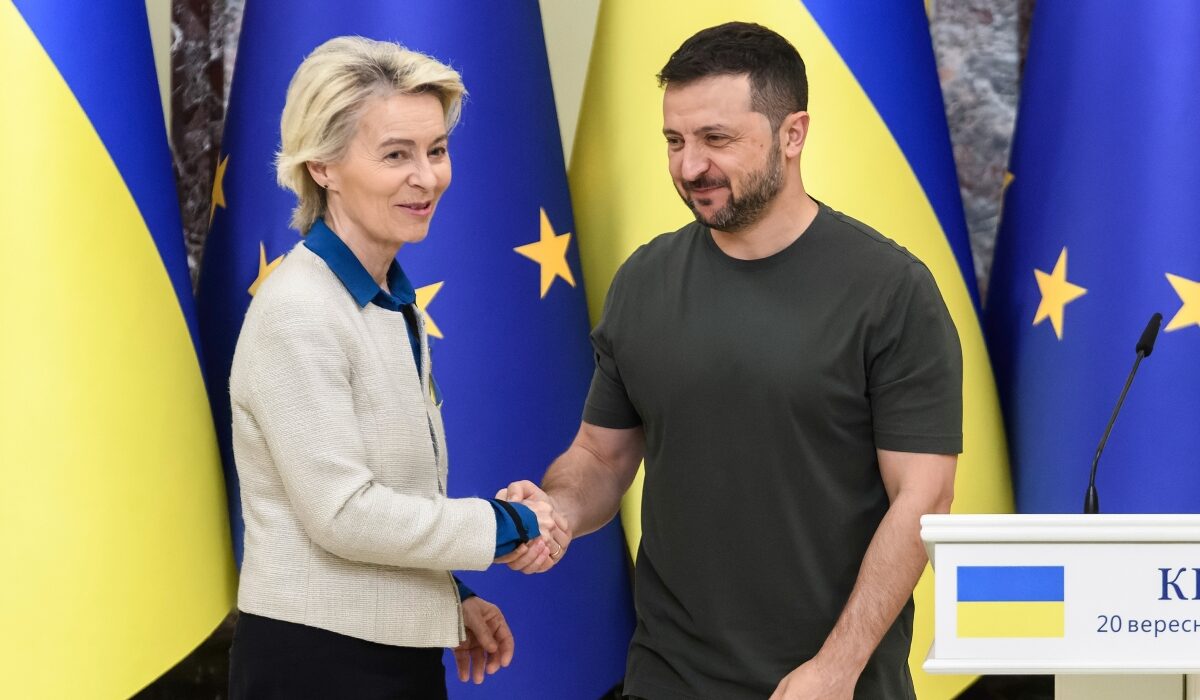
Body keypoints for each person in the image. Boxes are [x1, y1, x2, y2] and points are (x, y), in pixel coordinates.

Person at [500, 22, 961, 700]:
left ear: (793, 134)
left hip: (832, 686)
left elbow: (923, 499)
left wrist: (837, 667)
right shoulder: (643, 281)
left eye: (716, 139)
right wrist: (558, 510)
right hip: (667, 679)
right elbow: (601, 456)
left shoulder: (891, 290)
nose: (690, 167)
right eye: (674, 141)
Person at [226, 36, 567, 698]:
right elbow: (343, 513)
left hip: (384, 655)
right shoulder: (299, 309)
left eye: (436, 150)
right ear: (322, 166)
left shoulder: (384, 298)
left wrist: (448, 597)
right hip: (316, 665)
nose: (428, 177)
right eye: (395, 155)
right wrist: (510, 526)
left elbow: (386, 489)